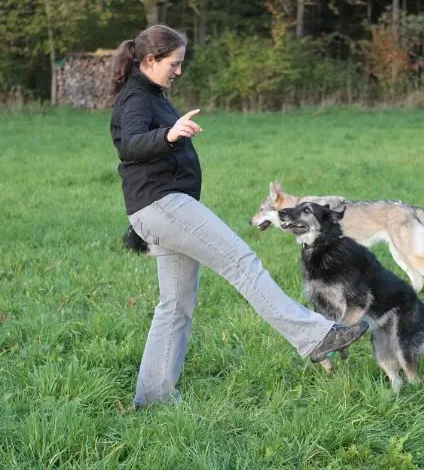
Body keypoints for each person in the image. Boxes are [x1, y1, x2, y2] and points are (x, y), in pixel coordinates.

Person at [109, 24, 369, 408]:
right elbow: (129, 145)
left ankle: (153, 398)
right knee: (243, 263)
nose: (179, 70)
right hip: (163, 206)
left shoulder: (150, 92)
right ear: (150, 60)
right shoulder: (136, 98)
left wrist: (172, 133)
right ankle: (314, 337)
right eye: (174, 63)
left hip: (159, 207)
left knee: (176, 304)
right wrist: (169, 135)